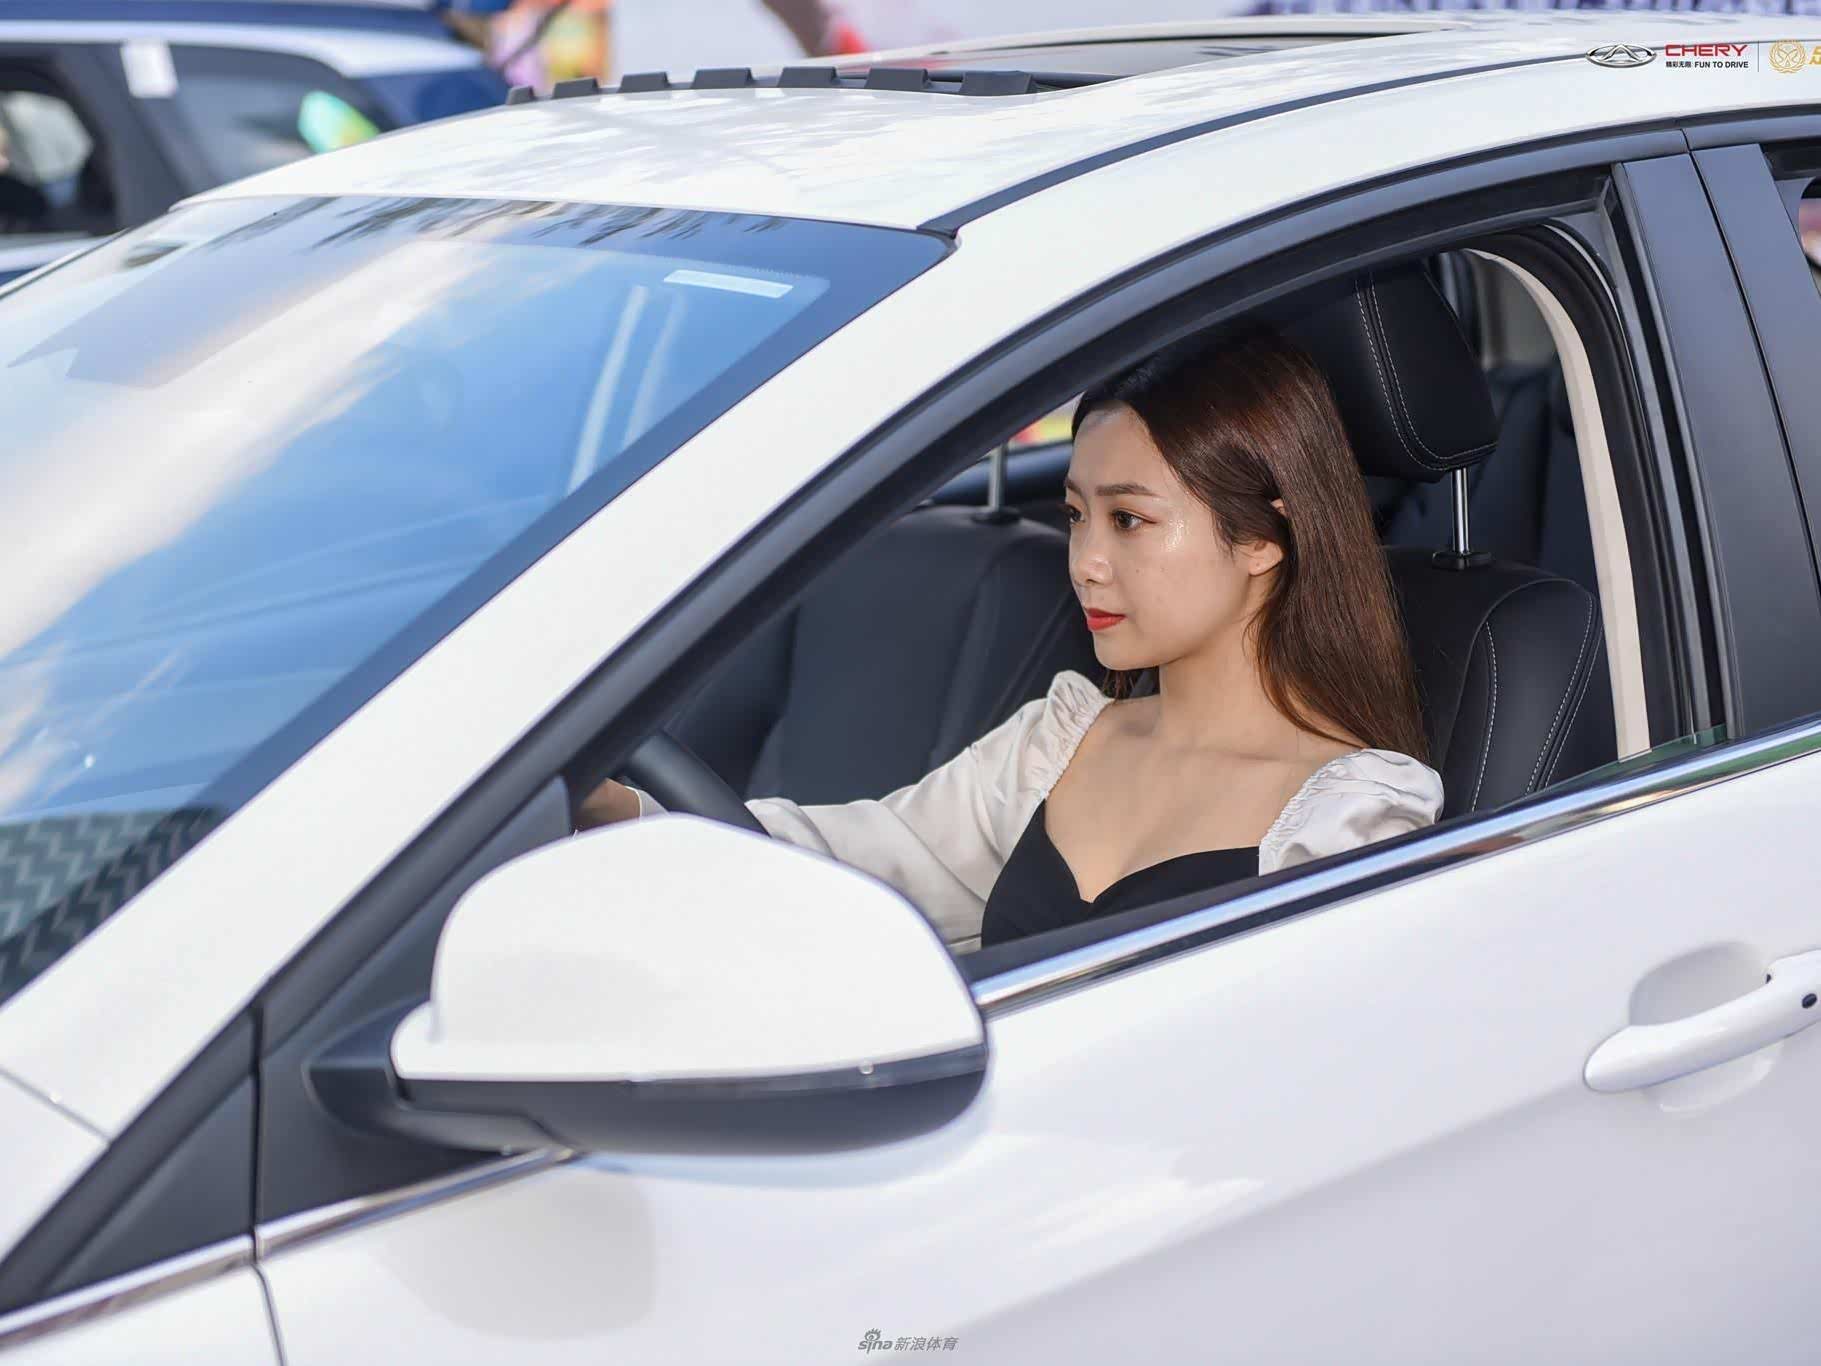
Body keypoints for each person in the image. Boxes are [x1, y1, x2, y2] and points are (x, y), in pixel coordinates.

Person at [577, 324, 1444, 954]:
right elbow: (853, 860)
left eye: (1129, 520)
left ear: (1261, 538)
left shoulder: (1345, 820)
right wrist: (618, 809)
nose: (1086, 563)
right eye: (1074, 516)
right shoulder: (1057, 742)